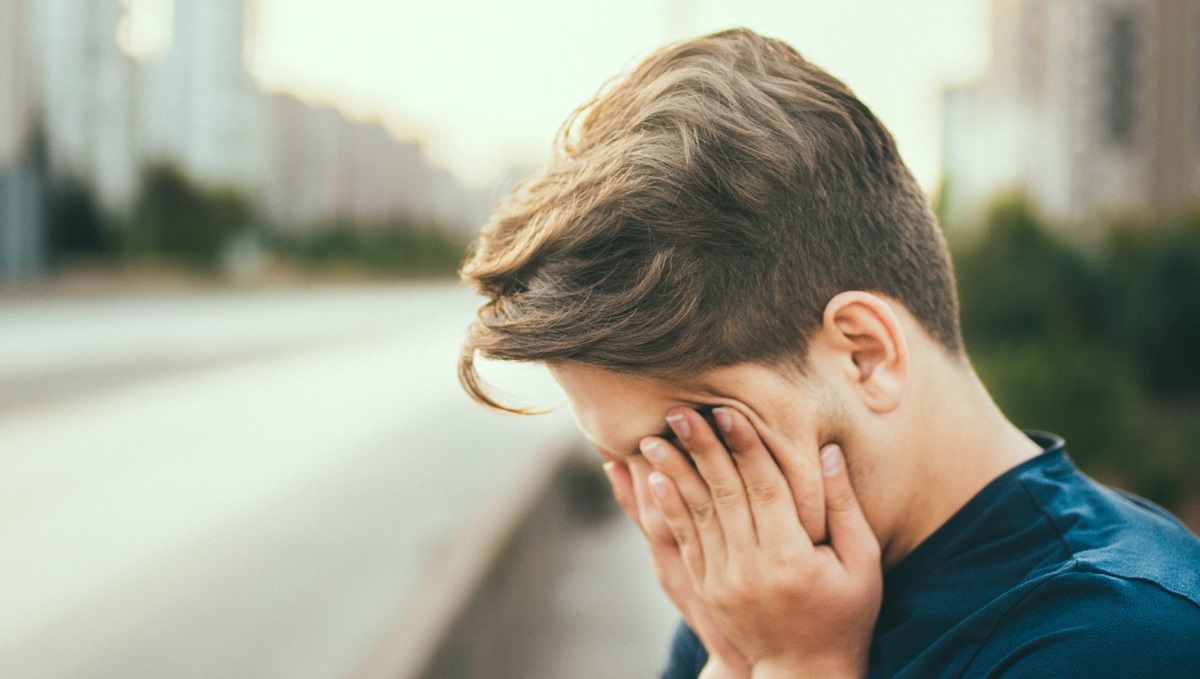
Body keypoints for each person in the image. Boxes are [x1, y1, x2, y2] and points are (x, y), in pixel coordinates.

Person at [457, 27, 1200, 678]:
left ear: (864, 355)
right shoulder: (769, 590)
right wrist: (735, 652)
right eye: (624, 462)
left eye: (692, 441)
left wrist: (800, 666)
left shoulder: (1120, 638)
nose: (666, 502)